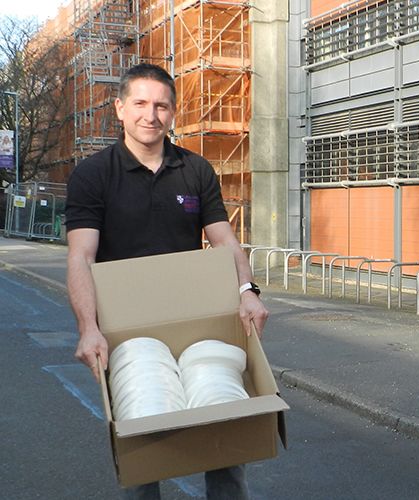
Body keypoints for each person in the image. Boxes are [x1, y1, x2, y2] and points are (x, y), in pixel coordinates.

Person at [65, 63, 268, 500]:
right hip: (126, 330)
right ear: (120, 108)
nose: (150, 115)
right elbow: (80, 256)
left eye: (161, 105)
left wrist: (247, 291)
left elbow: (226, 241)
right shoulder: (93, 175)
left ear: (173, 112)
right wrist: (88, 328)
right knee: (144, 452)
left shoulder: (195, 171)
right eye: (139, 103)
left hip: (195, 318)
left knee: (226, 444)